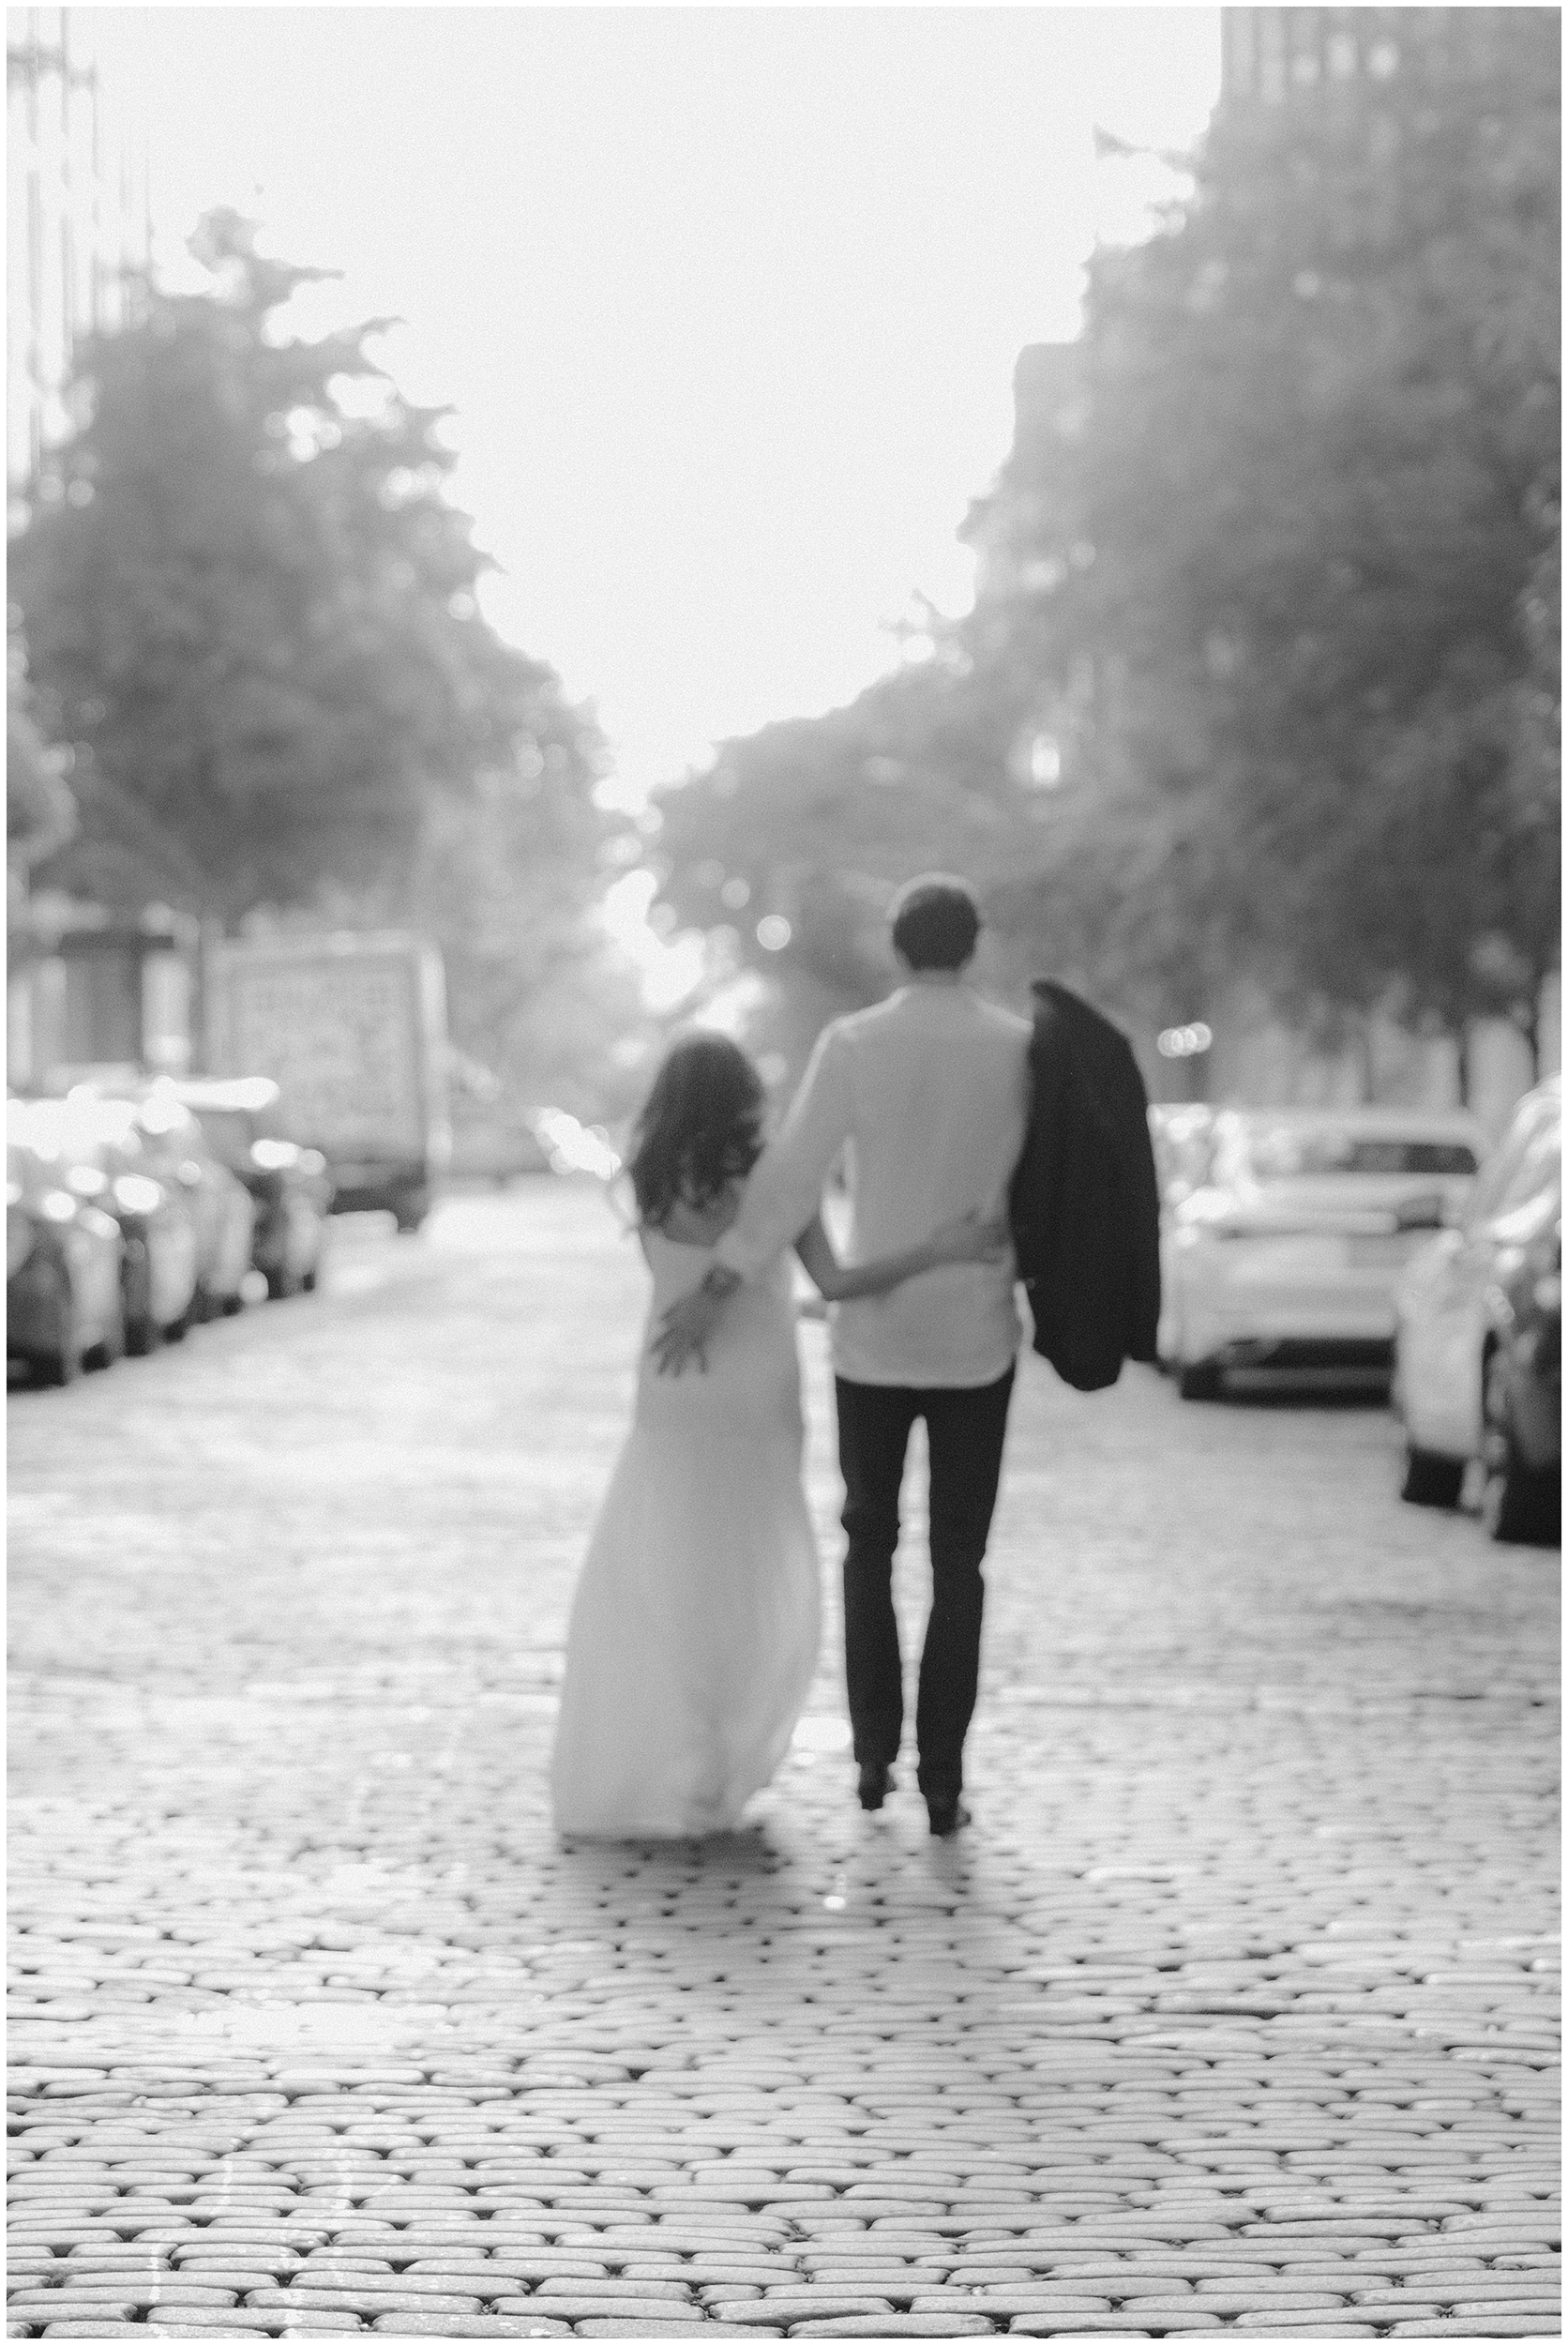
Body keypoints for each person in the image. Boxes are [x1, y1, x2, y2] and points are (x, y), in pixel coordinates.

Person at [550, 1029, 1003, 1841]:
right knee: (748, 1572)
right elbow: (836, 1281)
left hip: (671, 1388)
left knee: (669, 1567)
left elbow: (686, 1281)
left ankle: (675, 1757)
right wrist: (939, 1251)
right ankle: (723, 1760)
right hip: (757, 1399)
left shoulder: (648, 1176)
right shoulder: (771, 1180)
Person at [653, 876, 1031, 1837]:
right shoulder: (1019, 1050)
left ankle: (872, 1757)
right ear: (972, 947)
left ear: (897, 951)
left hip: (874, 1342)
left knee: (870, 1542)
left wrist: (717, 1283)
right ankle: (941, 1773)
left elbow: (788, 1180)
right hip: (977, 1332)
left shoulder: (855, 1045)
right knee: (960, 1557)